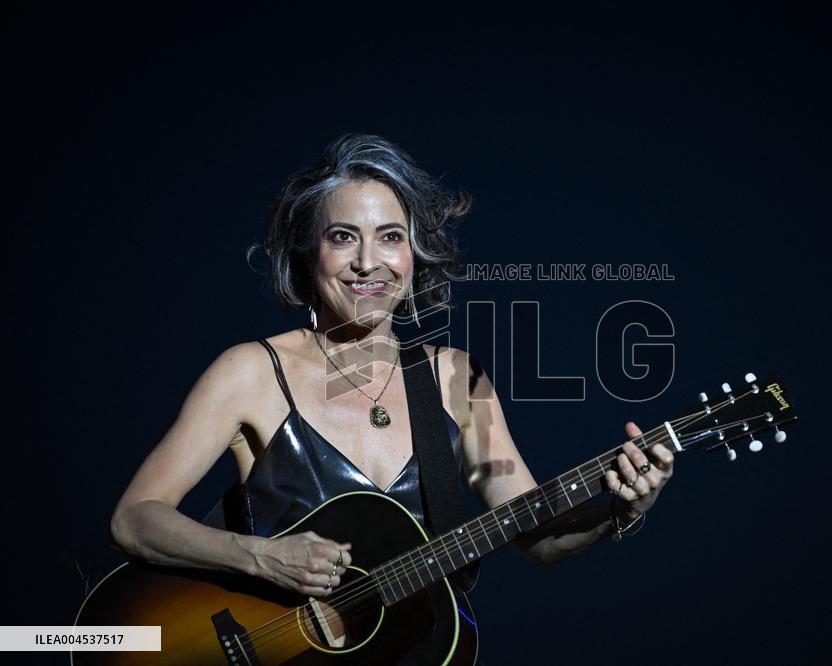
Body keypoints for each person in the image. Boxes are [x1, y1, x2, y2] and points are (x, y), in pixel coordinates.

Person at [110, 133, 675, 603]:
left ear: (413, 256)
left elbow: (537, 539)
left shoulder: (460, 380)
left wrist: (621, 514)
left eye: (390, 237)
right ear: (310, 255)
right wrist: (262, 557)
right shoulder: (251, 372)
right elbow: (134, 518)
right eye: (342, 237)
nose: (367, 262)